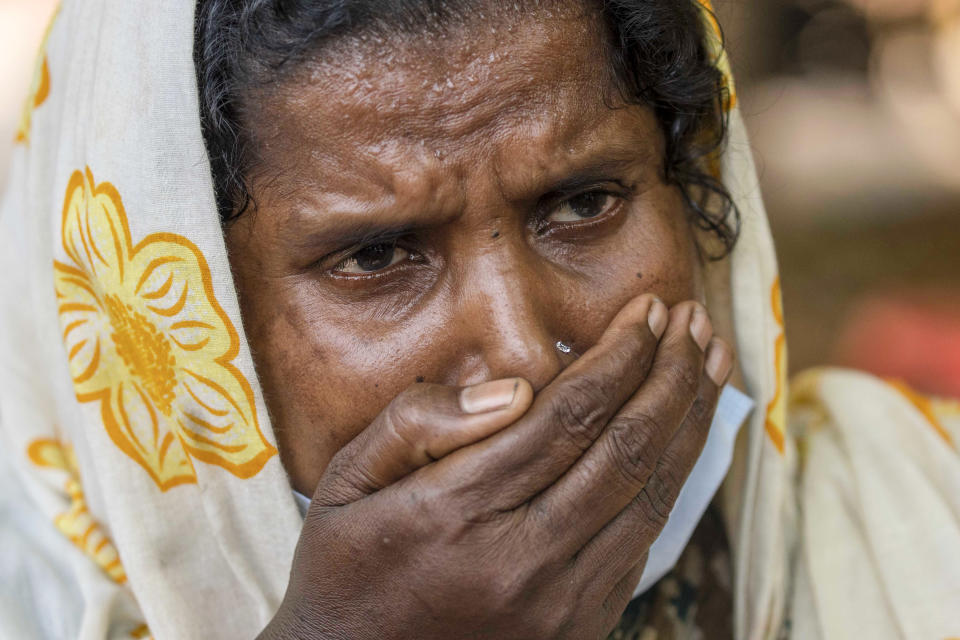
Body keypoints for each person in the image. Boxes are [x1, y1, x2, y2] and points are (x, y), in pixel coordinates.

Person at [0, 1, 958, 639]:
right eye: (376, 258)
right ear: (174, 318)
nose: (525, 354)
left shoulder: (920, 513)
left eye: (584, 203)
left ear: (695, 189)